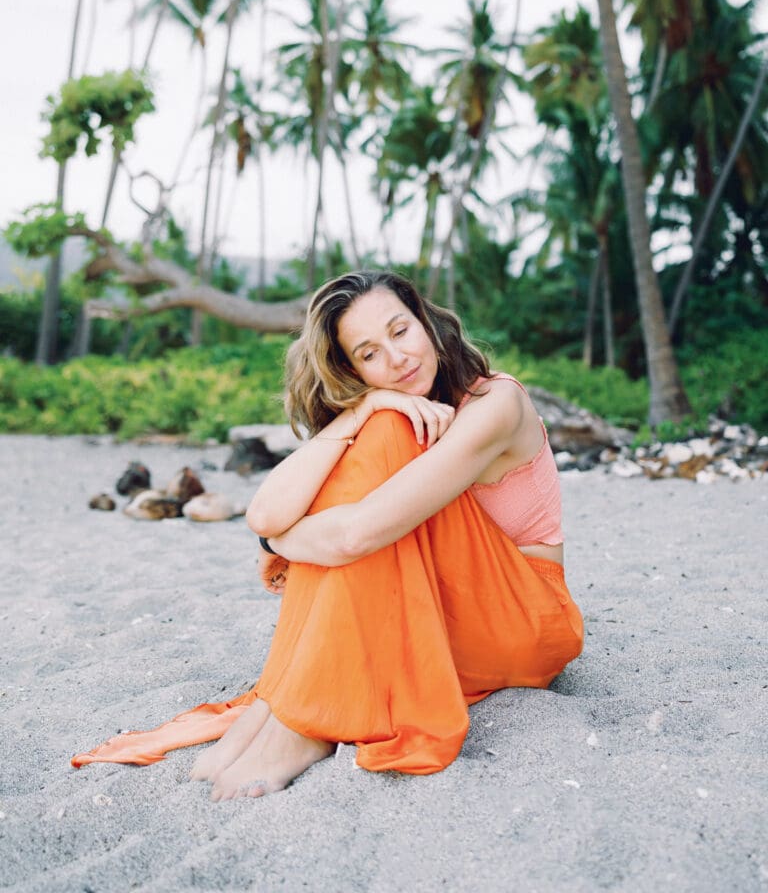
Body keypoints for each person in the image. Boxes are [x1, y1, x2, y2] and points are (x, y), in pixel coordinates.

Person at [71, 270, 583, 799]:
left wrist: (279, 547)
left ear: (426, 322)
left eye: (400, 331)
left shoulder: (496, 405)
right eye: (368, 353)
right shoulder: (393, 405)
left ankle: (307, 723)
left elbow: (344, 538)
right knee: (382, 426)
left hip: (525, 623)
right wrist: (360, 411)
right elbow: (264, 514)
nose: (397, 359)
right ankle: (283, 704)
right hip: (455, 612)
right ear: (352, 368)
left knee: (384, 445)